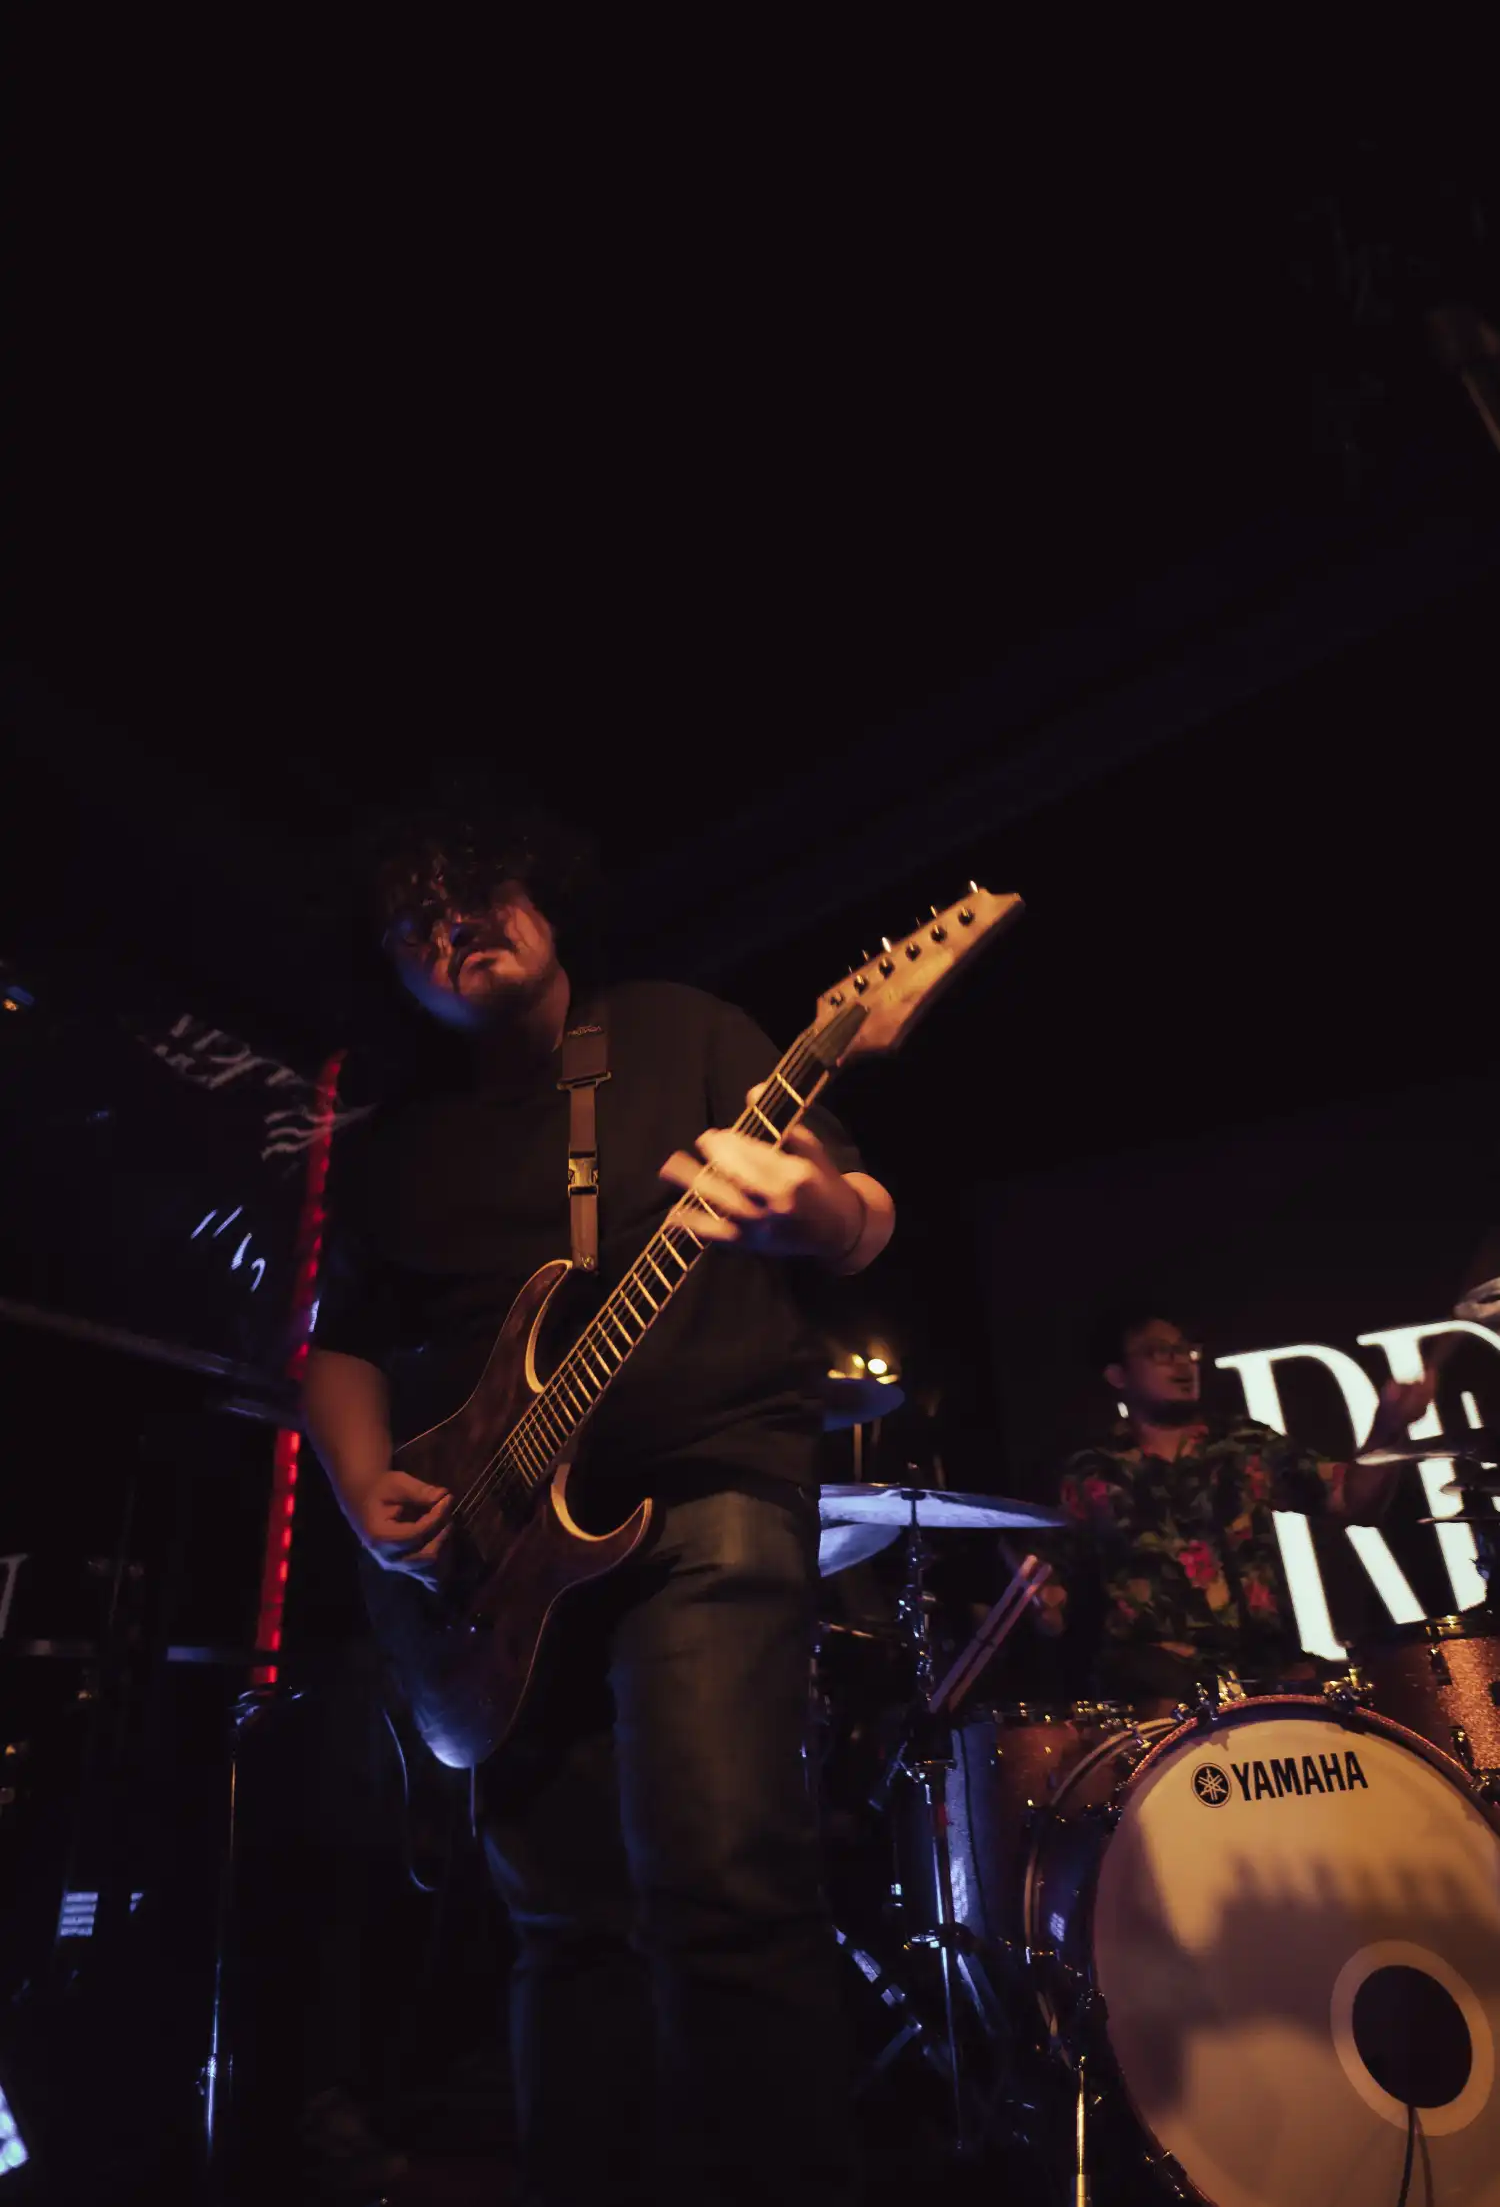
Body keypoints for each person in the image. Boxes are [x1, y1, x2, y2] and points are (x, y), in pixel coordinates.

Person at [301, 794, 895, 2207]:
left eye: (482, 893)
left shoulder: (683, 1032)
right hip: (492, 1568)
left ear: (546, 898)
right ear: (390, 970)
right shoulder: (401, 1147)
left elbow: (865, 1214)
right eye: (418, 922)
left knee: (719, 1883)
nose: (458, 928)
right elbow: (338, 1344)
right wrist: (364, 1485)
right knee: (562, 1923)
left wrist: (808, 1210)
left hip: (707, 1488)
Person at [1038, 1308, 1434, 1713]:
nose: (1181, 1362)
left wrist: (1389, 1426)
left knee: (1366, 1696)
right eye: (1159, 1352)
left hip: (1262, 1670)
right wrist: (1045, 1602)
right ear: (1118, 1375)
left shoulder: (1244, 1444)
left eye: (1186, 1351)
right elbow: (1052, 1581)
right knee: (1146, 1681)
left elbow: (1353, 1500)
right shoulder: (1092, 1472)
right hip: (1157, 1683)